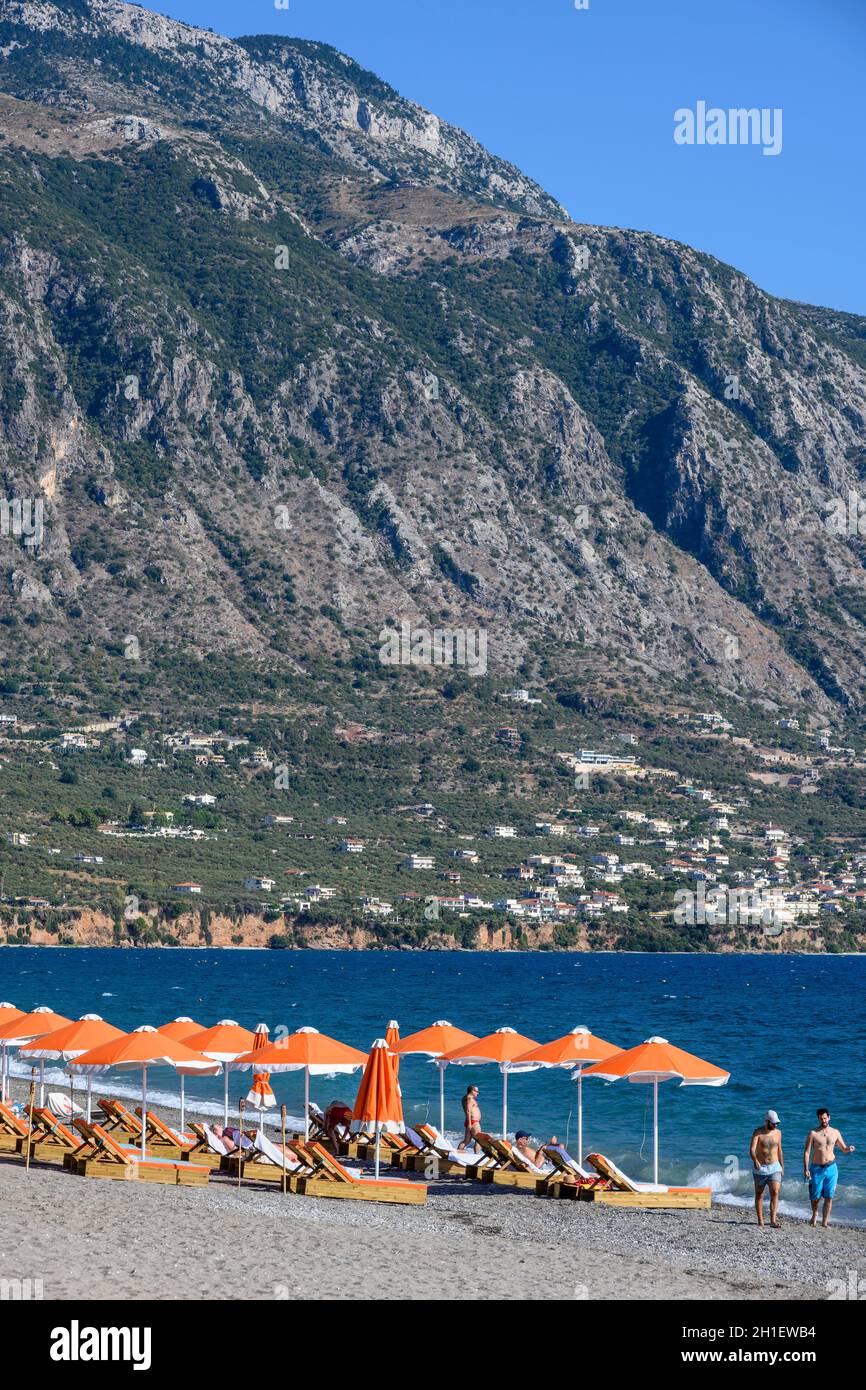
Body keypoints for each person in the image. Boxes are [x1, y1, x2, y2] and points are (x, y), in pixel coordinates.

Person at [804, 1107, 855, 1228]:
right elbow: (806, 1152)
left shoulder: (835, 1132)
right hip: (816, 1168)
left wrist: (849, 1149)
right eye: (821, 1118)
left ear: (829, 1117)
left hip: (832, 1167)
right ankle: (815, 1213)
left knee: (829, 1196)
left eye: (825, 1118)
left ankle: (825, 1221)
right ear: (818, 1119)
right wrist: (806, 1169)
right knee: (815, 1196)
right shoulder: (813, 1133)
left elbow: (843, 1149)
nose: (823, 1120)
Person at [750, 1110, 784, 1228]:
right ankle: (760, 1220)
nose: (775, 1125)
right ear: (767, 1121)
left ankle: (773, 1220)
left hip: (775, 1167)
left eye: (777, 1123)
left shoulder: (778, 1133)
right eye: (773, 1123)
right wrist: (755, 1160)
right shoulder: (758, 1133)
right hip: (760, 1168)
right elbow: (752, 1149)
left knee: (775, 1192)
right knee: (759, 1194)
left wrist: (782, 1167)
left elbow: (780, 1150)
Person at [457, 1085, 481, 1150]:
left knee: (466, 1141)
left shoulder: (465, 1098)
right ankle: (476, 1156)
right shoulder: (470, 1098)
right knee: (479, 1140)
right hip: (473, 1122)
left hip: (470, 1121)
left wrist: (469, 1123)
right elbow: (468, 1110)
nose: (478, 1093)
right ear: (472, 1091)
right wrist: (470, 1124)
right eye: (476, 1091)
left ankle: (457, 1153)